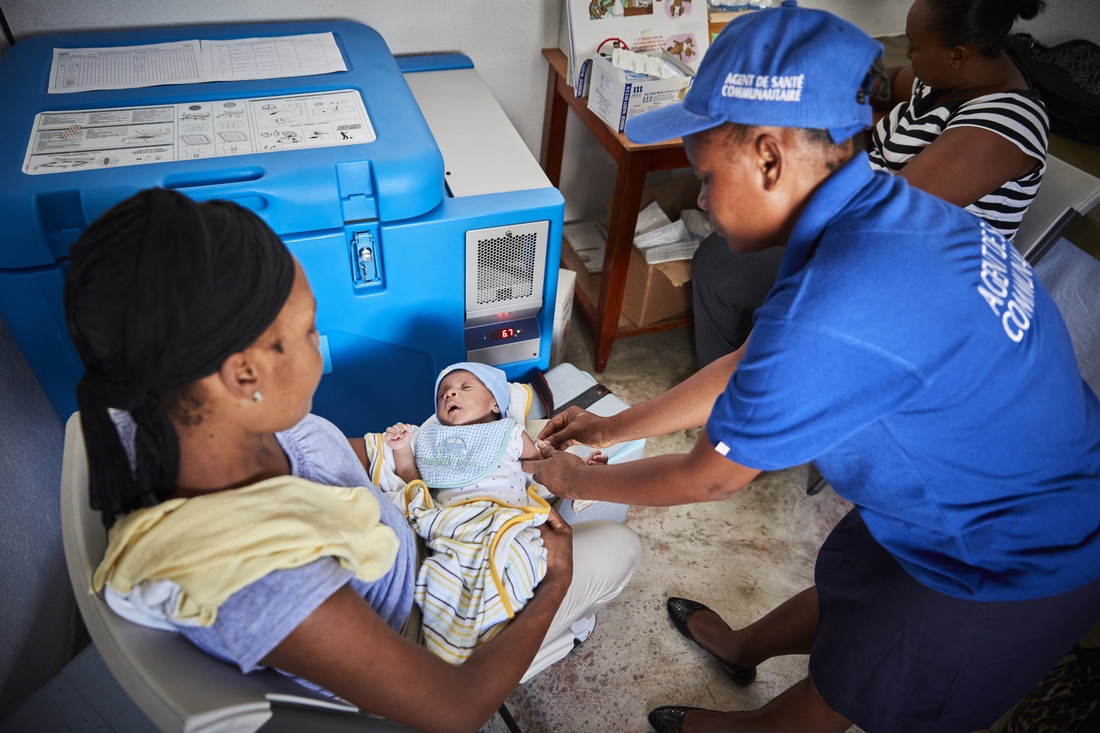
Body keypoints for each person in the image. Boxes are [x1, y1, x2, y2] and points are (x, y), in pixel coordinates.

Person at [526, 4, 1100, 732]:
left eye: (703, 176)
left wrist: (574, 477)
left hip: (1019, 554)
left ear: (769, 156)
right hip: (979, 482)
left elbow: (708, 475)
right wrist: (613, 423)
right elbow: (750, 362)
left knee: (878, 669)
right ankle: (742, 646)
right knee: (856, 577)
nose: (700, 199)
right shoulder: (890, 209)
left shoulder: (836, 301)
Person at [65, 187, 641, 733]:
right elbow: (456, 709)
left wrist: (411, 451)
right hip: (429, 621)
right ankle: (563, 628)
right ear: (244, 375)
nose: (324, 348)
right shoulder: (268, 584)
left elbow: (337, 457)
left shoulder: (177, 417)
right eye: (311, 331)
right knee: (619, 546)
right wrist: (555, 586)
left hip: (406, 536)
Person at [692, 0, 1050, 366]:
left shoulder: (1003, 126)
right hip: (860, 230)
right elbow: (889, 82)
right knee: (731, 230)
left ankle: (732, 395)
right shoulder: (946, 81)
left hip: (907, 268)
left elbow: (886, 211)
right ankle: (731, 384)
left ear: (957, 54)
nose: (906, 52)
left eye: (914, 45)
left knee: (724, 265)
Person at [383, 361, 604, 663]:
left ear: (495, 404)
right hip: (454, 529)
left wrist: (583, 472)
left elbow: (543, 471)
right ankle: (453, 647)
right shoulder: (430, 440)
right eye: (443, 394)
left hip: (507, 523)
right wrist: (401, 449)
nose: (450, 395)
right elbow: (414, 483)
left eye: (464, 388)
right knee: (437, 575)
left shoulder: (508, 433)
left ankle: (494, 628)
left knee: (524, 561)